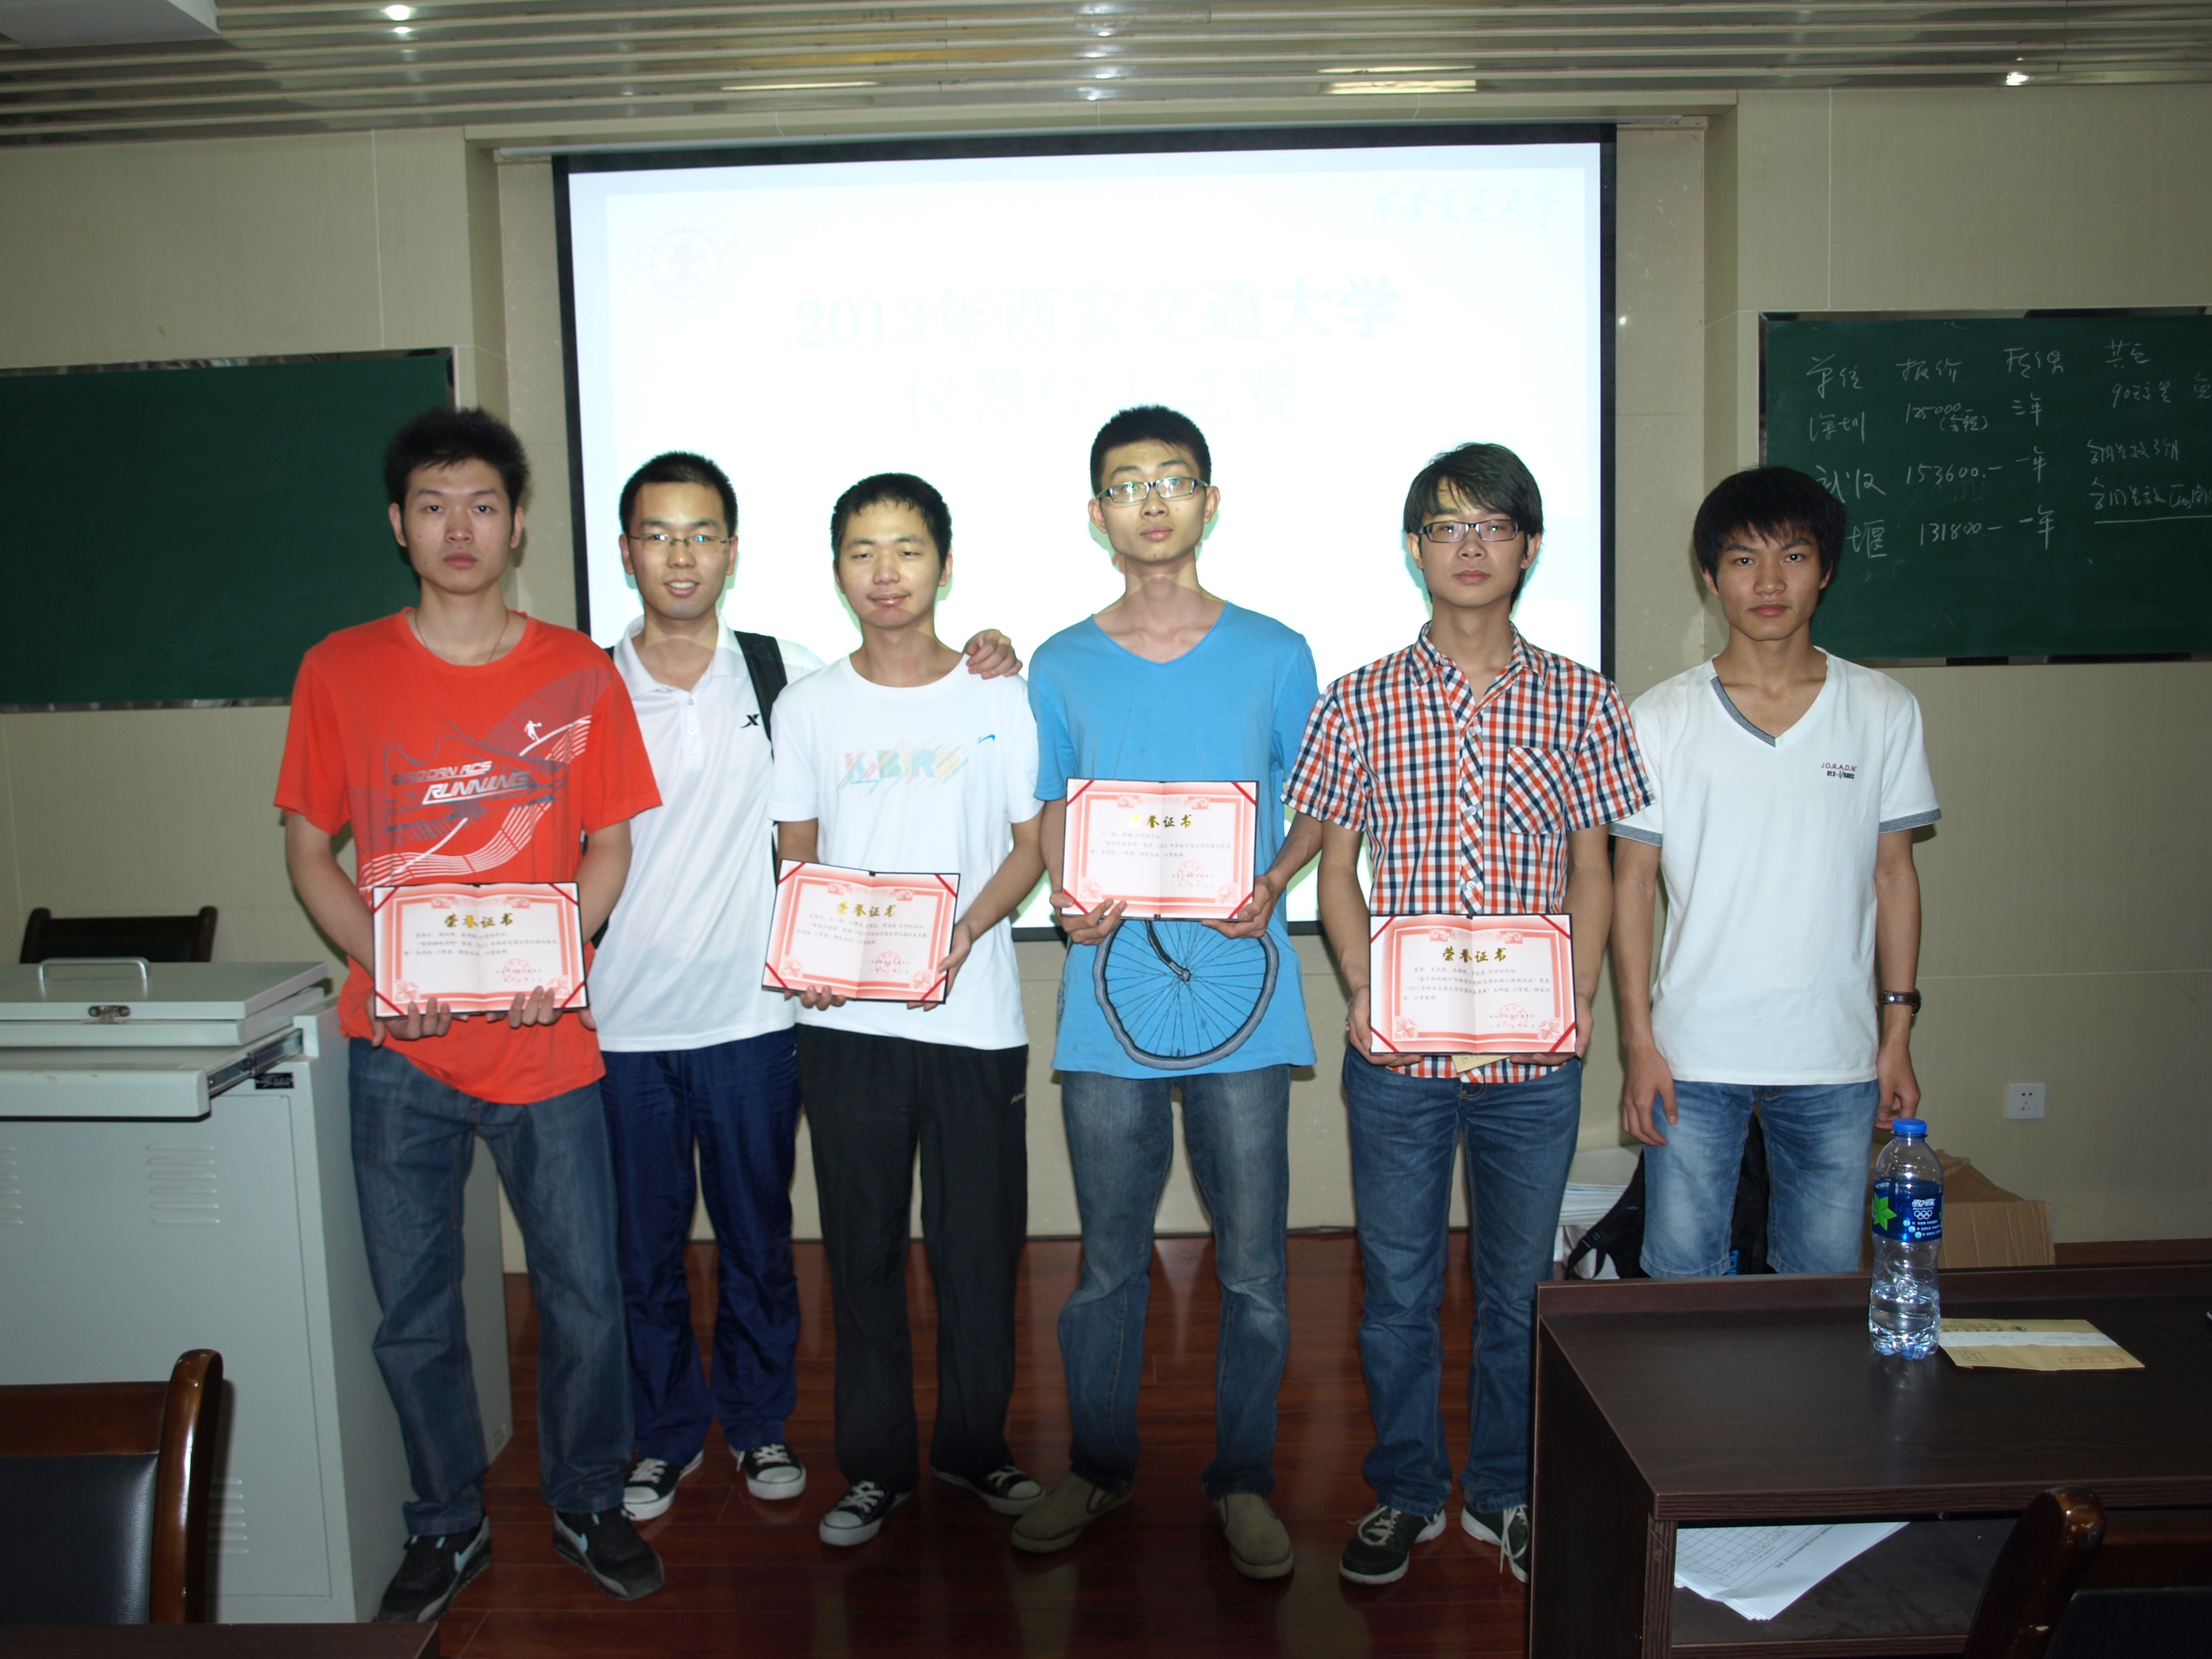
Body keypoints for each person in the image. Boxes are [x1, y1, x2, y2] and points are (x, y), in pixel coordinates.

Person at [276, 407, 665, 1620]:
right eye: (434, 506)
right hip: (401, 1050)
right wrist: (390, 968)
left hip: (547, 1045)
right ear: (398, 525)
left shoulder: (578, 672)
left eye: (483, 506)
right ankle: (445, 1522)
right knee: (415, 1311)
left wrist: (569, 946)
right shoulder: (339, 669)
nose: (460, 528)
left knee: (585, 1297)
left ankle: (588, 1499)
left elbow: (610, 844)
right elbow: (309, 851)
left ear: (517, 525)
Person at [589, 453, 1022, 1524]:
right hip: (692, 1017)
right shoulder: (612, 684)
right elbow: (796, 850)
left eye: (703, 534)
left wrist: (959, 931)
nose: (682, 555)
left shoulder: (802, 675)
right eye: (659, 534)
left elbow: (1014, 828)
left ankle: (818, 1432)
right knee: (669, 1253)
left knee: (802, 1249)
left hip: (811, 1016)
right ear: (628, 552)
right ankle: (699, 1444)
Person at [1286, 442, 1650, 1587]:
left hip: (1533, 1066)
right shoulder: (1360, 698)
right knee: (1395, 1291)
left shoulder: (1584, 698)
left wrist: (1574, 997)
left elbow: (1592, 867)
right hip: (1399, 1057)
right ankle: (1406, 1490)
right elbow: (1335, 870)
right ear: (1415, 549)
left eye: (1494, 526)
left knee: (1518, 1291)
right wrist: (1364, 990)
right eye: (1447, 527)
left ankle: (1502, 1493)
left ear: (1529, 547)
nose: (1471, 546)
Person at [1016, 406, 1321, 1582]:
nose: (1152, 501)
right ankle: (1098, 1466)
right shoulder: (1059, 663)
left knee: (1254, 1272)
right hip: (1106, 1002)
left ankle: (1242, 1480)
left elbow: (1316, 801)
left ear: (1210, 502)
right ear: (1097, 514)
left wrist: (1274, 880)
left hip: (1244, 998)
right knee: (1106, 1263)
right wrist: (1065, 896)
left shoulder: (1277, 652)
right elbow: (1054, 807)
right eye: (1128, 484)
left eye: (1175, 479)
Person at [766, 472, 1047, 1548]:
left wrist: (965, 931)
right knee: (863, 1255)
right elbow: (799, 855)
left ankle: (976, 1447)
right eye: (863, 552)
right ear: (839, 570)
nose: (886, 573)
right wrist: (808, 950)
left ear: (945, 563)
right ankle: (875, 1468)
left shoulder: (998, 694)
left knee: (979, 1252)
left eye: (908, 550)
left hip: (973, 1021)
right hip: (846, 1027)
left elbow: (1031, 844)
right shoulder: (809, 706)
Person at [1612, 466, 1939, 1281]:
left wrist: (1896, 1036)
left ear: (1825, 570)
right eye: (1743, 560)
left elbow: (1894, 877)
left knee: (1821, 1285)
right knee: (1679, 1277)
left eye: (1793, 557)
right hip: (1693, 1052)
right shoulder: (1659, 716)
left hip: (1835, 1053)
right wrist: (1639, 1044)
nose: (1768, 583)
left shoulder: (1883, 709)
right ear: (1710, 576)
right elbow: (1632, 885)